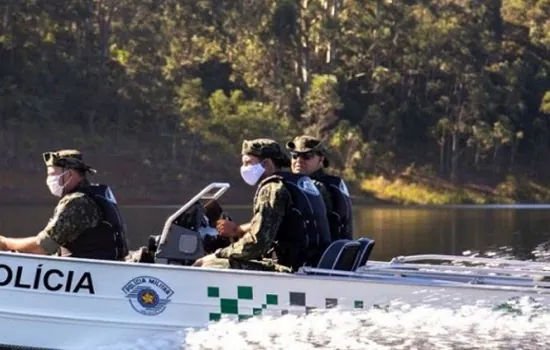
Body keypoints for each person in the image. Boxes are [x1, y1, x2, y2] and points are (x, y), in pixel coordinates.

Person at [192, 138, 332, 272]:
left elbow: (257, 243)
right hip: (310, 265)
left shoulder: (272, 188)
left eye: (248, 163)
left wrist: (220, 252)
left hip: (289, 270)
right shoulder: (300, 184)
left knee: (204, 263)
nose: (244, 168)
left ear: (266, 164)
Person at [0, 149, 129, 260]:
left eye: (52, 174)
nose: (49, 180)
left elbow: (43, 247)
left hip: (89, 274)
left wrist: (5, 244)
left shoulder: (77, 202)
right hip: (97, 269)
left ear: (70, 174)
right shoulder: (94, 196)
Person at [286, 135, 354, 241]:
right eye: (294, 155)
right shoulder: (334, 183)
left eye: (307, 156)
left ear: (321, 160)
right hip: (334, 253)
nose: (299, 160)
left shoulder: (314, 188)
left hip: (317, 256)